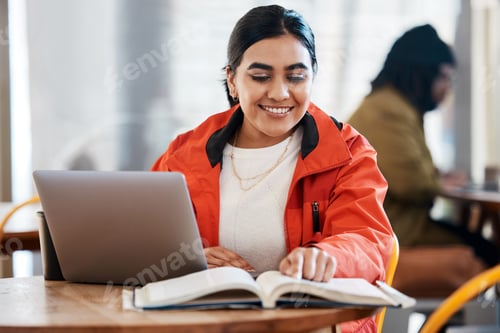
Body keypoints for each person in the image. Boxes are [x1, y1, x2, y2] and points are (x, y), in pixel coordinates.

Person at [152, 5, 394, 332]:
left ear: (312, 77)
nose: (280, 93)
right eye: (261, 76)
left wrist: (328, 257)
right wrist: (189, 260)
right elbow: (145, 242)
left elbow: (369, 240)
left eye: (296, 76)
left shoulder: (348, 152)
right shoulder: (184, 154)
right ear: (232, 80)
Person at [348, 24, 497, 297]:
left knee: (477, 241)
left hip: (396, 226)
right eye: (445, 77)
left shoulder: (390, 106)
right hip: (397, 231)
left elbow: (407, 167)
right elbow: (413, 183)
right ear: (422, 71)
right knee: (487, 250)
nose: (446, 89)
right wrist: (436, 180)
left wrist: (435, 176)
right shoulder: (389, 111)